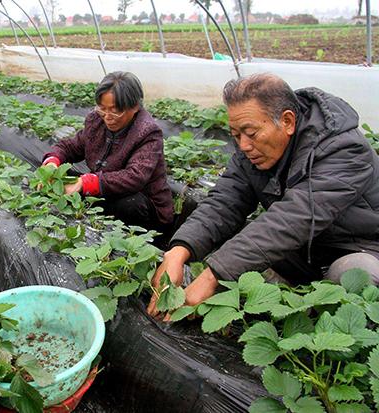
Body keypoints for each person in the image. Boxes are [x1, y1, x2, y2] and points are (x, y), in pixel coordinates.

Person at [147, 73, 379, 317]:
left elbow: (292, 220)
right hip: (306, 251)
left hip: (361, 249)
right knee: (236, 246)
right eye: (236, 135)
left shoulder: (343, 150)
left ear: (287, 121)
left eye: (251, 133)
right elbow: (223, 203)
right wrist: (178, 251)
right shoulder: (251, 152)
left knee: (354, 273)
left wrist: (212, 276)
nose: (244, 145)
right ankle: (287, 302)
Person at [41, 71, 174, 237]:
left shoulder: (147, 133)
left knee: (130, 204)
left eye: (115, 111)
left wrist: (86, 182)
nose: (108, 117)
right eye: (102, 109)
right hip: (106, 192)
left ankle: (127, 240)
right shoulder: (96, 121)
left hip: (144, 208)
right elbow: (71, 147)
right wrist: (53, 163)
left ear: (135, 107)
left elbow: (135, 177)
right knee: (61, 176)